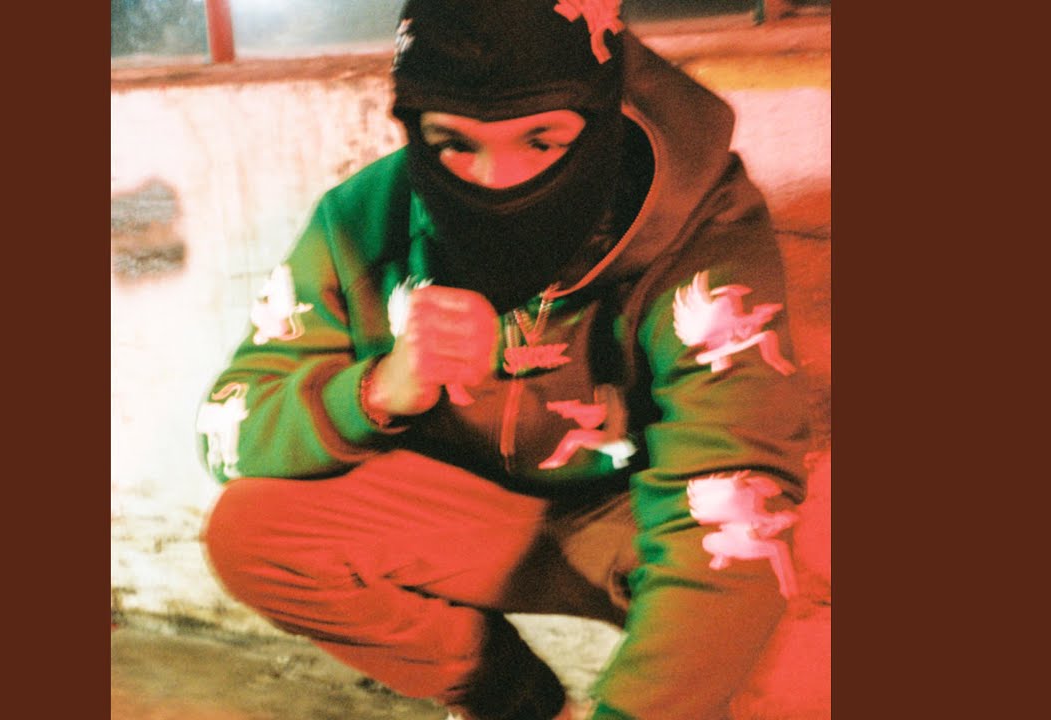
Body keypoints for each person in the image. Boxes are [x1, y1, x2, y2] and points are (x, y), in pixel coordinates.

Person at [196, 1, 810, 718]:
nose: (496, 181)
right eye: (454, 143)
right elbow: (228, 433)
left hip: (634, 519)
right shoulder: (366, 217)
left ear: (600, 118)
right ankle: (518, 707)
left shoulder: (704, 229)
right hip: (471, 514)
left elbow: (731, 492)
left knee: (778, 627)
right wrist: (379, 391)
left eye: (541, 141)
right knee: (255, 531)